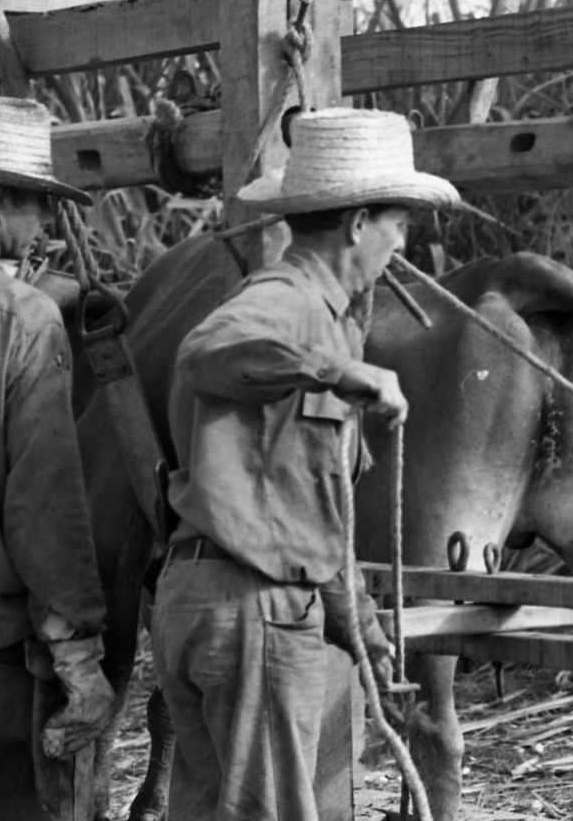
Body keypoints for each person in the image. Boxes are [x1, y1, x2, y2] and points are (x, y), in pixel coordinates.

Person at [151, 108, 462, 820]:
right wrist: (334, 372)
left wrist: (366, 633)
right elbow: (207, 352)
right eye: (399, 225)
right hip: (249, 611)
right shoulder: (283, 302)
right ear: (357, 224)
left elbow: (314, 511)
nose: (401, 244)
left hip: (215, 601)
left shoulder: (323, 319)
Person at [0, 96, 117, 820]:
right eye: (37, 204)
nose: (43, 224)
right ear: (0, 199)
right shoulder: (18, 317)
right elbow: (45, 505)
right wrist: (79, 656)